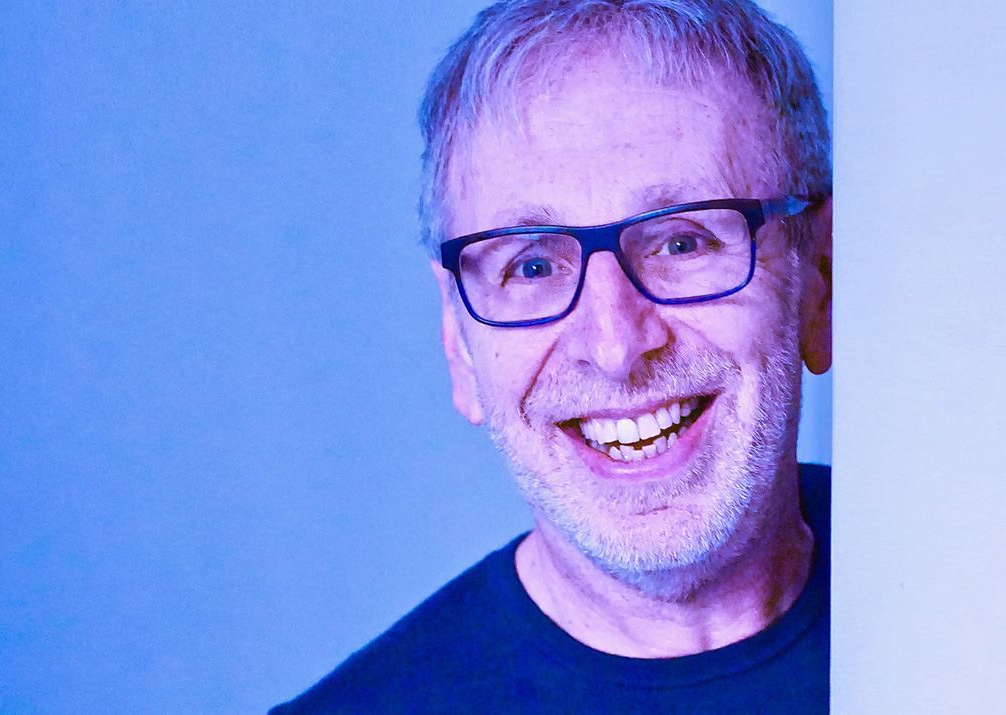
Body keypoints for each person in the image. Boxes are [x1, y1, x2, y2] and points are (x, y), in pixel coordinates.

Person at [274, 0, 832, 711]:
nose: (615, 346)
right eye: (532, 266)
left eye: (682, 242)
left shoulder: (970, 576)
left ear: (821, 277)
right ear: (459, 342)